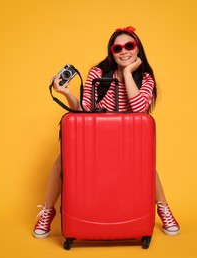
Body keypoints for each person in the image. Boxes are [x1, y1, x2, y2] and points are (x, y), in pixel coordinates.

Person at [33, 26, 180, 239]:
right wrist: (66, 93)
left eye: (129, 46)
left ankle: (163, 209)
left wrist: (128, 73)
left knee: (148, 165)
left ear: (138, 49)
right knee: (62, 160)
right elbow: (84, 111)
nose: (124, 51)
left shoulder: (145, 77)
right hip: (98, 141)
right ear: (112, 51)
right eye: (117, 47)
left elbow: (139, 109)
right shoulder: (99, 73)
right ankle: (47, 211)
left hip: (129, 144)